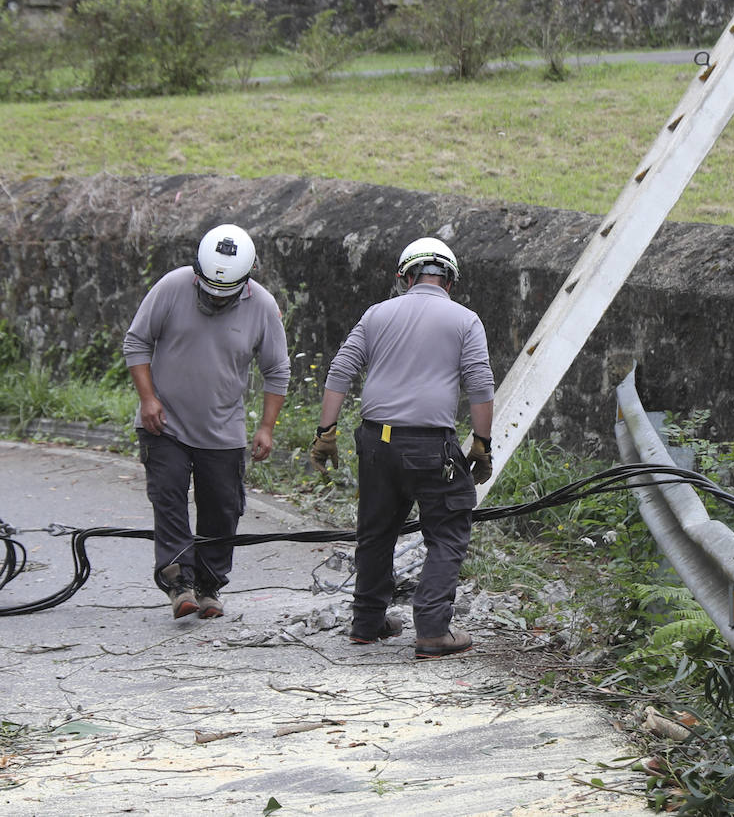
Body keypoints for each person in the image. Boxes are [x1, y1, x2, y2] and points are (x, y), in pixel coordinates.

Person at [310, 236, 495, 659]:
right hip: (430, 445)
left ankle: (368, 622)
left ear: (405, 277)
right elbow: (480, 385)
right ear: (450, 281)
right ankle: (431, 630)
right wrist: (481, 443)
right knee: (447, 532)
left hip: (377, 441)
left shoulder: (377, 314)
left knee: (375, 532)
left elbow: (341, 370)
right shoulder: (465, 320)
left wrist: (326, 432)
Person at [123, 223, 289, 620]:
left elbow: (277, 370)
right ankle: (180, 582)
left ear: (245, 278)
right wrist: (147, 399)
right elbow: (137, 341)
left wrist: (266, 427)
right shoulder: (171, 287)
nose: (214, 299)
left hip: (223, 428)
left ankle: (209, 585)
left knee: (223, 507)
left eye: (224, 294)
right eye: (208, 289)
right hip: (166, 424)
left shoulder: (263, 306)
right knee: (168, 497)